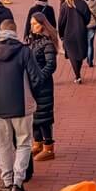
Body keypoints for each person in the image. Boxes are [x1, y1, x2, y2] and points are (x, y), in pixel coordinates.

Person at [0, 19, 45, 191]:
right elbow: (36, 78)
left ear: (0, 31)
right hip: (22, 104)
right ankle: (18, 182)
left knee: (3, 144)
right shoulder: (24, 51)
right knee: (23, 143)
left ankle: (7, 180)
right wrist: (33, 95)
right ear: (15, 32)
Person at [26, 13, 58, 161]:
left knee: (44, 115)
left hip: (43, 85)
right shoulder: (32, 41)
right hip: (32, 83)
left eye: (35, 24)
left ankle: (49, 147)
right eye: (31, 24)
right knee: (34, 115)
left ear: (43, 25)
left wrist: (39, 78)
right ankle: (37, 143)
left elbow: (51, 65)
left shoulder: (47, 43)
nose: (32, 27)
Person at [58, 0, 91, 84]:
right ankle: (78, 74)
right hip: (80, 32)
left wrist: (61, 34)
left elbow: (61, 22)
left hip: (68, 34)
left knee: (72, 55)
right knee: (80, 54)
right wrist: (83, 24)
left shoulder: (64, 6)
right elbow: (87, 17)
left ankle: (77, 75)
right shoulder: (82, 4)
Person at [81, 0, 96, 68]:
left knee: (83, 43)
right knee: (90, 44)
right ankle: (90, 60)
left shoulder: (81, 1)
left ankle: (83, 57)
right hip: (92, 24)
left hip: (83, 25)